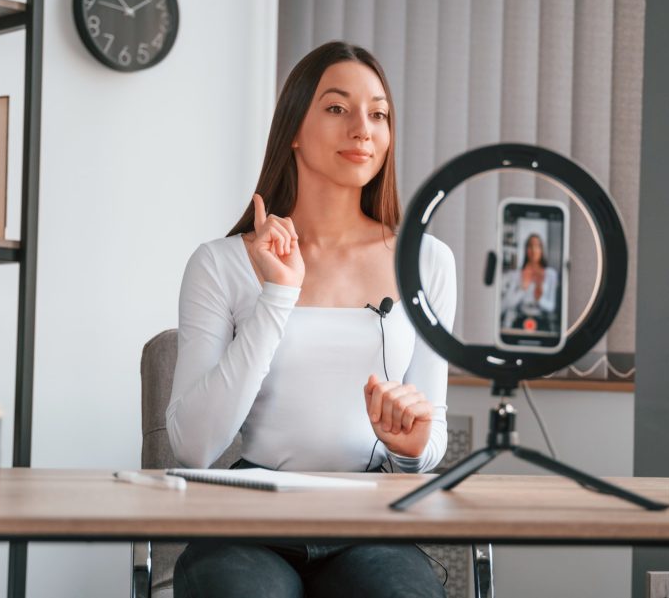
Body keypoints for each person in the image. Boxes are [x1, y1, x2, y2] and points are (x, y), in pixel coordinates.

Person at [167, 41, 455, 598]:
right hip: (249, 521)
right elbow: (193, 447)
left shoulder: (427, 261)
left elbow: (431, 438)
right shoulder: (221, 263)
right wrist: (279, 293)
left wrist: (409, 445)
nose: (361, 129)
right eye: (336, 108)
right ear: (293, 129)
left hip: (368, 521)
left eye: (378, 114)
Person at [500, 233, 558, 330]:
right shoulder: (516, 274)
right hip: (520, 321)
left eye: (537, 246)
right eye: (530, 246)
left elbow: (551, 307)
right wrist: (522, 289)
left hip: (542, 322)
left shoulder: (550, 274)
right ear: (526, 250)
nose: (534, 250)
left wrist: (539, 298)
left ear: (542, 250)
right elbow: (505, 304)